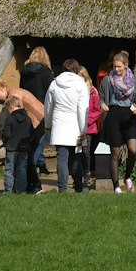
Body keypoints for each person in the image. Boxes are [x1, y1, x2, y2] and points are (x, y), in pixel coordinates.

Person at [98, 51, 136, 193]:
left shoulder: (133, 80)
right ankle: (116, 186)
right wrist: (102, 104)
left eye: (119, 66)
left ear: (126, 65)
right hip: (113, 116)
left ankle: (128, 177)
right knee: (115, 152)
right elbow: (101, 97)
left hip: (129, 116)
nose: (116, 69)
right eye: (114, 66)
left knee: (133, 149)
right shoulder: (107, 80)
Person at [44, 59, 91, 193]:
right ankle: (78, 187)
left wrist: (48, 124)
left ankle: (62, 189)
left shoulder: (54, 84)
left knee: (62, 159)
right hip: (75, 126)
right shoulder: (81, 85)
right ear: (76, 70)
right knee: (76, 158)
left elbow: (48, 107)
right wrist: (83, 130)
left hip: (59, 125)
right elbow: (83, 109)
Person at [19, 47, 56, 188]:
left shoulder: (24, 72)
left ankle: (27, 179)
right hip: (41, 110)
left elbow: (21, 90)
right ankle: (34, 181)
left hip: (26, 110)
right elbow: (50, 94)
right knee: (37, 145)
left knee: (29, 146)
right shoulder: (47, 73)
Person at [71, 62, 102, 192]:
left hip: (87, 127)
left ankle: (86, 173)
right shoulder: (73, 90)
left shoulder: (93, 91)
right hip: (74, 126)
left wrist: (86, 121)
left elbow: (97, 109)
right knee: (75, 152)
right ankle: (76, 175)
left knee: (85, 151)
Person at [1, 95, 35, 195]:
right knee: (22, 170)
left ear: (11, 106)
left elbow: (6, 134)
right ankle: (21, 191)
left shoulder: (10, 119)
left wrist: (5, 142)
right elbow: (31, 134)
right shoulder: (28, 119)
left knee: (9, 170)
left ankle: (8, 191)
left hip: (12, 148)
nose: (8, 111)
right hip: (24, 148)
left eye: (8, 109)